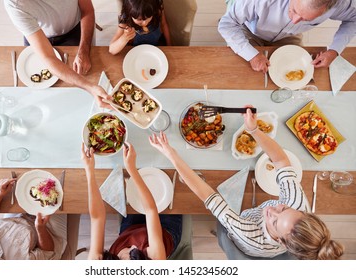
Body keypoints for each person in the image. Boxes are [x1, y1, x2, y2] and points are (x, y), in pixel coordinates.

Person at [149, 109, 344, 260]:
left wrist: (171, 155)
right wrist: (253, 129)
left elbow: (207, 195)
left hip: (244, 237)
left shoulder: (248, 233)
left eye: (275, 222)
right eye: (282, 208)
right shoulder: (298, 205)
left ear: (283, 242)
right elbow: (281, 161)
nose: (272, 210)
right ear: (303, 212)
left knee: (225, 224)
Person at [82, 142, 181, 260]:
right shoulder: (156, 260)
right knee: (177, 194)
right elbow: (150, 211)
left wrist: (89, 170)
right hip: (166, 230)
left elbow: (97, 218)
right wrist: (132, 169)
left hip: (130, 231)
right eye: (134, 253)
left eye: (127, 254)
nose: (134, 246)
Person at [4, 0, 111, 109]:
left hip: (75, 28)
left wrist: (84, 50)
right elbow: (48, 57)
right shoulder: (14, 4)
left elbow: (87, 10)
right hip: (38, 34)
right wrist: (90, 87)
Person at [218, 0, 356, 72]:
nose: (295, 20)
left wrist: (334, 50)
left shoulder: (340, 4)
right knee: (242, 73)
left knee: (295, 75)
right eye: (294, 10)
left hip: (289, 36)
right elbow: (227, 24)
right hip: (248, 29)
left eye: (306, 19)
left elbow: (354, 18)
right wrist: (252, 55)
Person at [0, 178, 67, 260]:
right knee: (63, 190)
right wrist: (40, 228)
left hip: (16, 220)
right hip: (49, 231)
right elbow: (47, 252)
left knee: (25, 182)